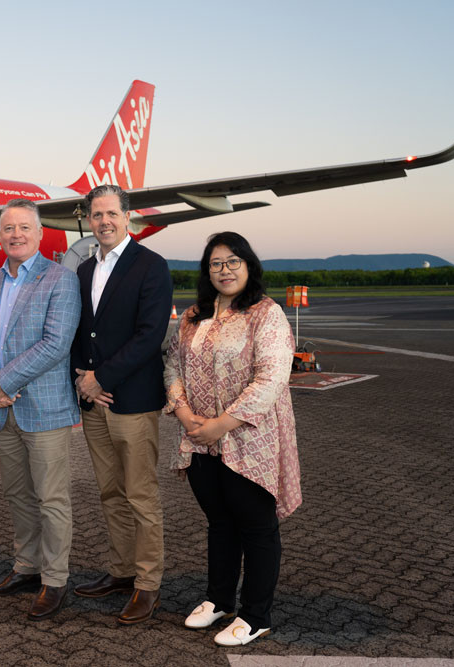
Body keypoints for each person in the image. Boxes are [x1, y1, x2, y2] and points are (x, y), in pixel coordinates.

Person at [163, 231, 302, 646]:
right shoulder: (192, 316)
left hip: (248, 440)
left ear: (248, 265)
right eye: (216, 263)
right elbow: (171, 365)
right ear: (207, 271)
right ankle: (219, 599)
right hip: (198, 437)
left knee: (257, 527)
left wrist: (221, 424)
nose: (224, 270)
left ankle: (256, 615)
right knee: (220, 524)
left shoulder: (265, 313)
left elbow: (272, 377)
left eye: (233, 261)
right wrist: (186, 414)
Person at [0, 198, 81, 621]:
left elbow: (55, 344)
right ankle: (27, 566)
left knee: (51, 498)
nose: (15, 235)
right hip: (1, 407)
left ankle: (55, 578)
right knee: (16, 494)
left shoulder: (60, 279)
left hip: (43, 407)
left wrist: (2, 382)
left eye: (24, 228)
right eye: (8, 228)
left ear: (39, 234)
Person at [70, 185, 173, 625]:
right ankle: (121, 571)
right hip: (95, 403)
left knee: (140, 495)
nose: (104, 221)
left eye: (111, 213)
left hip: (130, 400)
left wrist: (102, 378)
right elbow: (79, 332)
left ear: (127, 217)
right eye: (96, 215)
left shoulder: (151, 266)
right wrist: (82, 379)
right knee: (110, 493)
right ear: (88, 220)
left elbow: (150, 336)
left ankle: (148, 585)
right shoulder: (82, 270)